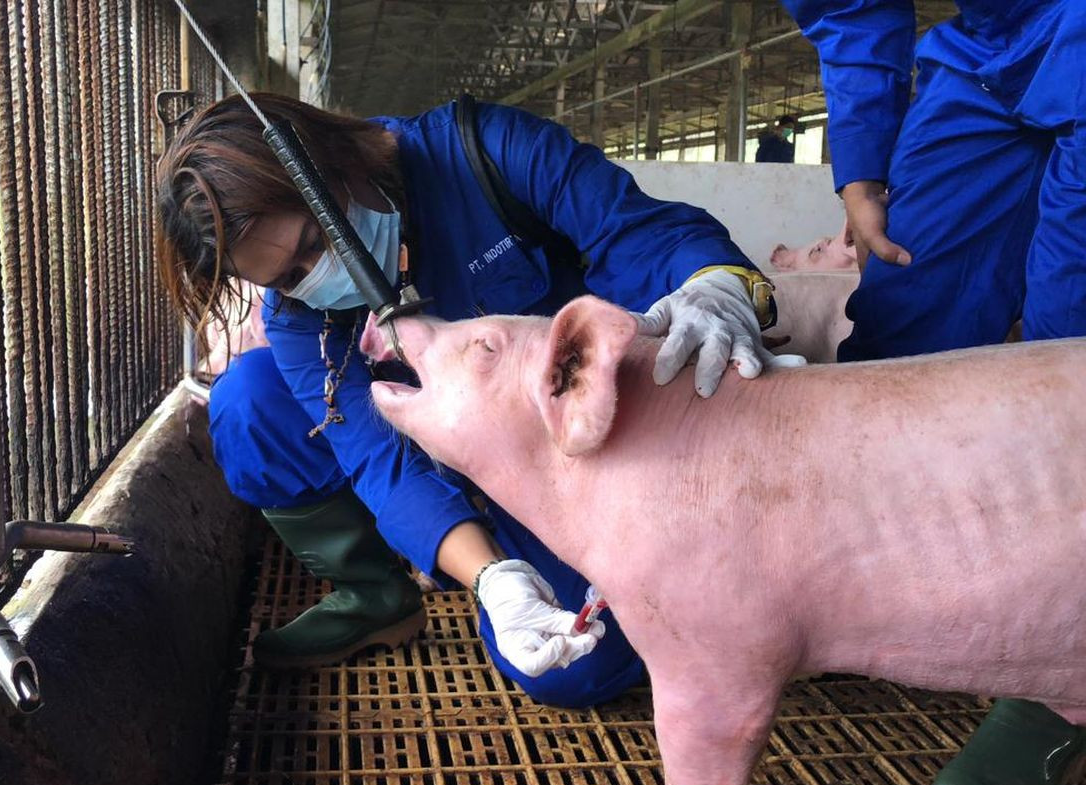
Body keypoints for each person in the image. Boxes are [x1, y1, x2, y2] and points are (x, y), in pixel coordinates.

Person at [156, 93, 802, 707]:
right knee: (248, 396)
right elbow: (377, 458)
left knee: (581, 670)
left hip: (576, 443)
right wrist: (494, 582)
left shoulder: (484, 152)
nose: (319, 276)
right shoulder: (305, 316)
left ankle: (718, 581)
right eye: (289, 276)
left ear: (337, 158)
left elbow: (639, 233)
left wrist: (715, 289)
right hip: (451, 451)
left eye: (315, 243)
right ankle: (379, 593)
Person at [781, 1, 1086, 785]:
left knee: (1071, 349)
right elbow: (848, 4)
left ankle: (1062, 694)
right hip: (991, 47)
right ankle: (868, 594)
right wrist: (859, 165)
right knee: (904, 321)